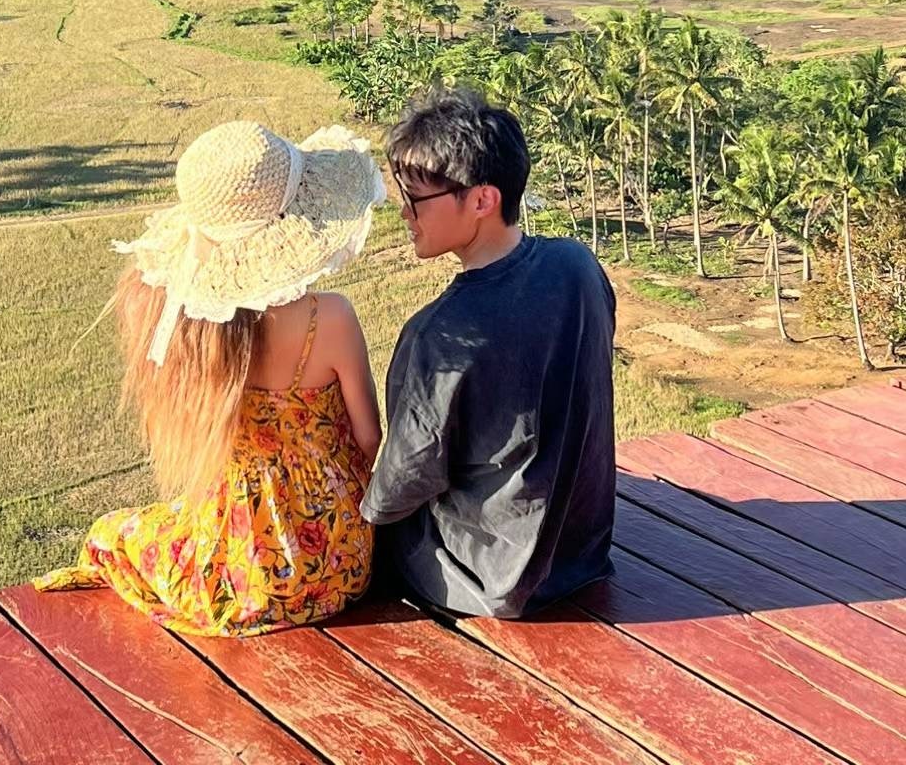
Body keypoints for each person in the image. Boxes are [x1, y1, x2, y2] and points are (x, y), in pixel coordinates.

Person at [35, 119, 386, 636]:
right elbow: (369, 437)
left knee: (115, 533)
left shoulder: (195, 331)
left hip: (239, 571)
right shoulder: (330, 317)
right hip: (341, 562)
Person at [361, 87, 615, 619]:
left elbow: (402, 484)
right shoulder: (578, 266)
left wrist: (359, 513)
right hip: (578, 553)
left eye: (415, 199)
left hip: (484, 575)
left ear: (481, 200)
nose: (404, 214)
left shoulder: (439, 335)